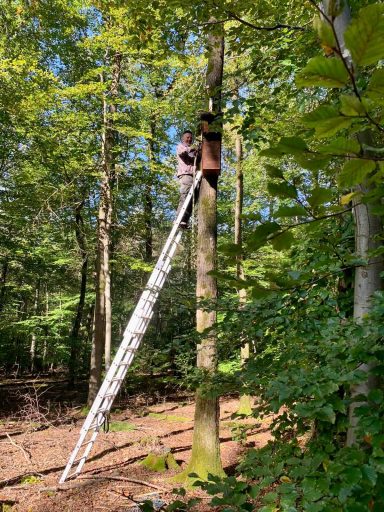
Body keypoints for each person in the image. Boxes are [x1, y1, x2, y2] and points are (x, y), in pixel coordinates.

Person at [175, 130, 200, 228]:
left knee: (194, 198)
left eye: (190, 138)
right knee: (185, 195)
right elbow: (183, 153)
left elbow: (196, 159)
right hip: (186, 175)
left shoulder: (193, 150)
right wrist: (192, 149)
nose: (189, 139)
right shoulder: (181, 146)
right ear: (183, 138)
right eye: (187, 137)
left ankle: (184, 219)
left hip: (194, 176)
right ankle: (178, 218)